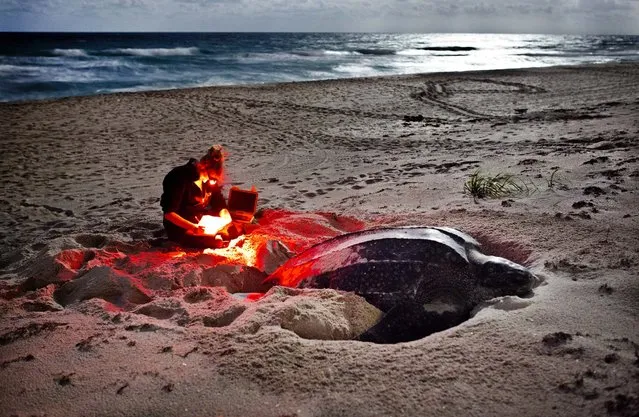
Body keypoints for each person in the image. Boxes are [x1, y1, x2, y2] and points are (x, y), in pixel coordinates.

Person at [160, 144, 237, 248]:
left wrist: (224, 213)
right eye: (209, 178)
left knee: (234, 232)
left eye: (214, 180)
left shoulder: (210, 180)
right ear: (202, 167)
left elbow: (218, 201)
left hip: (202, 222)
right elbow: (169, 214)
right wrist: (194, 228)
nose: (211, 182)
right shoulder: (178, 177)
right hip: (181, 226)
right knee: (216, 243)